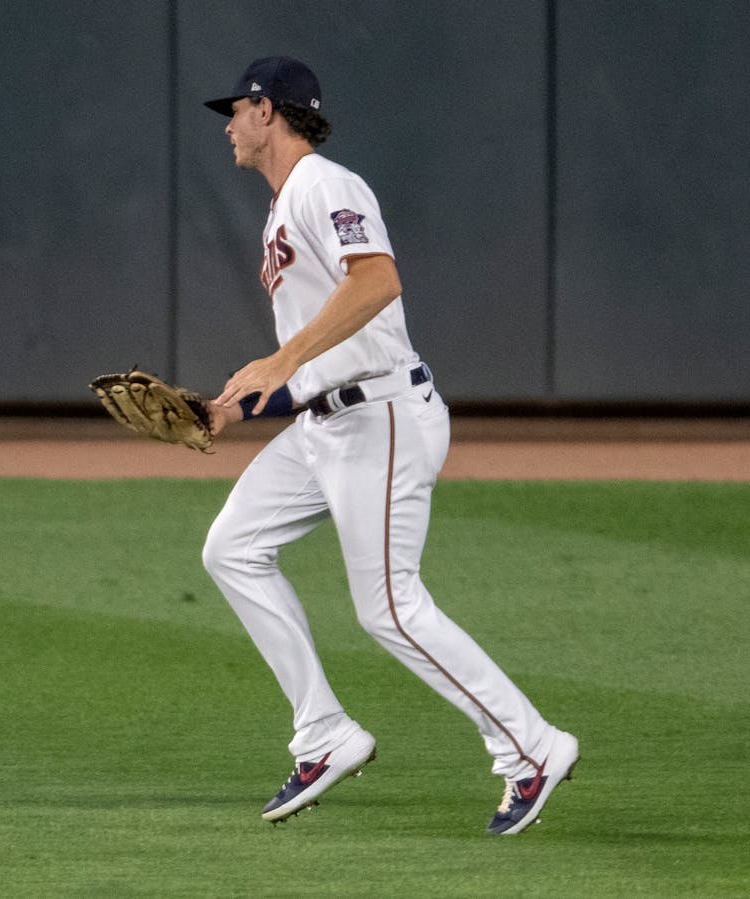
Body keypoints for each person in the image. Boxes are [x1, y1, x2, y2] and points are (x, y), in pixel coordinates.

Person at [198, 57, 577, 835]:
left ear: (269, 111)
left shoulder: (323, 184)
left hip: (382, 416)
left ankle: (530, 747)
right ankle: (324, 732)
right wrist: (237, 405)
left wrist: (282, 361)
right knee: (231, 547)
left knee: (391, 609)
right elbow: (315, 348)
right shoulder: (280, 208)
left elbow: (376, 283)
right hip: (323, 423)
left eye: (235, 109)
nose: (228, 124)